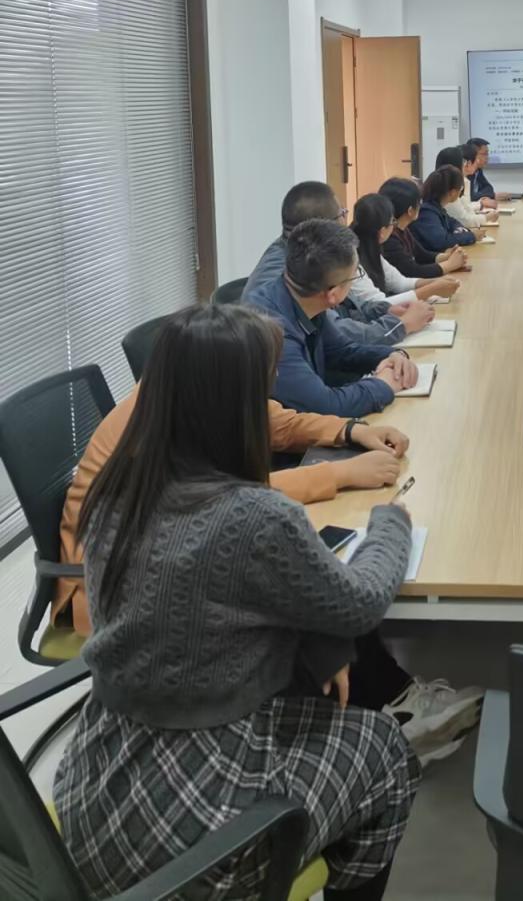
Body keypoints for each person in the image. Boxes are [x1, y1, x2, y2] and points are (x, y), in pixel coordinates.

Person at [53, 303, 418, 901]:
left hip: (93, 800)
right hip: (193, 840)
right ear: (232, 405)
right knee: (386, 750)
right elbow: (361, 605)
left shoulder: (120, 491)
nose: (267, 404)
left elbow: (209, 597)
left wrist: (322, 643)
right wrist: (391, 524)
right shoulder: (254, 516)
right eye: (261, 392)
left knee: (315, 680)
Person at [55, 385, 409, 637]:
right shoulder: (163, 421)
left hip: (173, 560)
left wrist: (350, 430)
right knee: (309, 596)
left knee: (311, 588)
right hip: (115, 587)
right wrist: (339, 474)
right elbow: (222, 498)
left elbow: (277, 423)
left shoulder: (192, 386)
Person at [245, 219, 419, 416]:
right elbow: (325, 406)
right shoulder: (272, 331)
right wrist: (384, 384)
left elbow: (341, 351)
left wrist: (392, 355)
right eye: (355, 276)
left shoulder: (303, 296)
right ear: (333, 294)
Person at [245, 181, 433, 341]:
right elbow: (336, 333)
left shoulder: (313, 254)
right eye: (342, 213)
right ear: (323, 226)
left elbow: (349, 307)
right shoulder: (291, 271)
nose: (346, 222)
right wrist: (399, 326)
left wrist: (386, 310)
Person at [350, 194, 460, 302]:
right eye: (392, 222)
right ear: (382, 232)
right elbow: (379, 304)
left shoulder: (371, 249)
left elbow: (400, 283)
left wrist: (436, 282)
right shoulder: (351, 261)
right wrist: (431, 290)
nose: (394, 226)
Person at [379, 177, 470, 278]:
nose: (421, 205)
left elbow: (421, 255)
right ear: (410, 211)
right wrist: (450, 265)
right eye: (419, 202)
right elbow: (413, 272)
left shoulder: (403, 229)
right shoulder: (389, 238)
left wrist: (446, 257)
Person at [411, 166, 477, 249]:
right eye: (461, 188)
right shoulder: (426, 212)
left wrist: (459, 231)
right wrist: (472, 235)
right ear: (452, 192)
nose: (461, 191)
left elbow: (453, 223)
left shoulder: (437, 208)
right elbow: (442, 241)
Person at [435, 146, 487, 230]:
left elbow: (465, 209)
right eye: (463, 162)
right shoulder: (449, 190)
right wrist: (486, 217)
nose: (465, 165)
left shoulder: (446, 184)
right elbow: (463, 220)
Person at [464, 138, 504, 208]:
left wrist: (488, 196)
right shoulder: (467, 172)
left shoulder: (478, 170)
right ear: (473, 155)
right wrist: (487, 197)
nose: (487, 157)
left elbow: (489, 188)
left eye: (487, 154)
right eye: (484, 154)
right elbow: (470, 197)